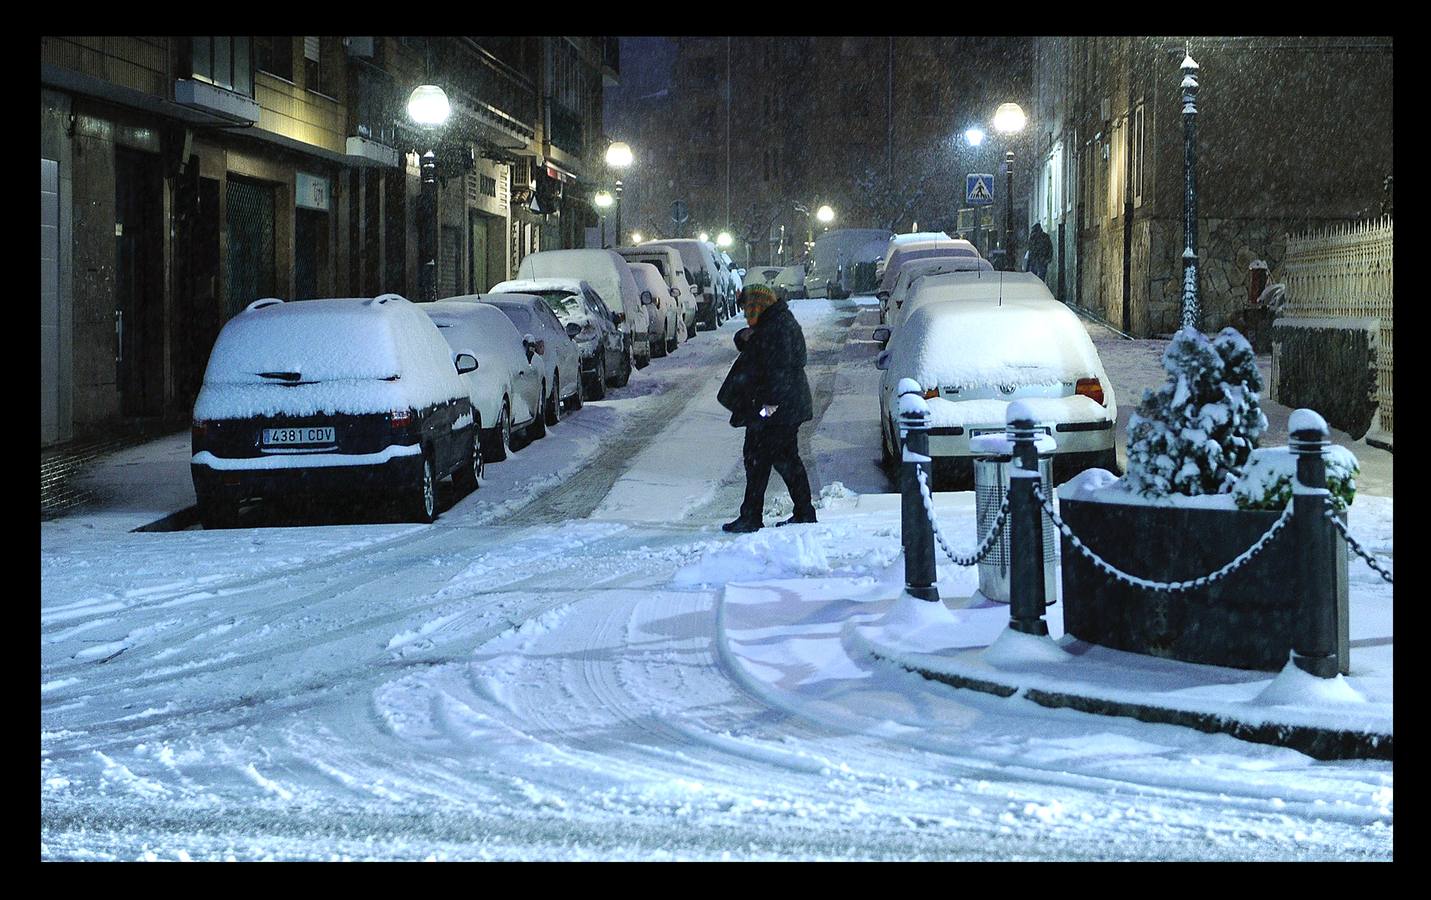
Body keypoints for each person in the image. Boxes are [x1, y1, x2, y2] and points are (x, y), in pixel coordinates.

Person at [719, 285, 817, 533]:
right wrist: (744, 337)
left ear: (758, 307)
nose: (745, 315)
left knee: (765, 459)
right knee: (772, 460)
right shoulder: (774, 322)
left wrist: (765, 412)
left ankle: (757, 516)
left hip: (776, 410)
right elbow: (760, 351)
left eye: (747, 309)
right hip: (780, 408)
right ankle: (798, 512)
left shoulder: (776, 328)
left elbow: (778, 373)